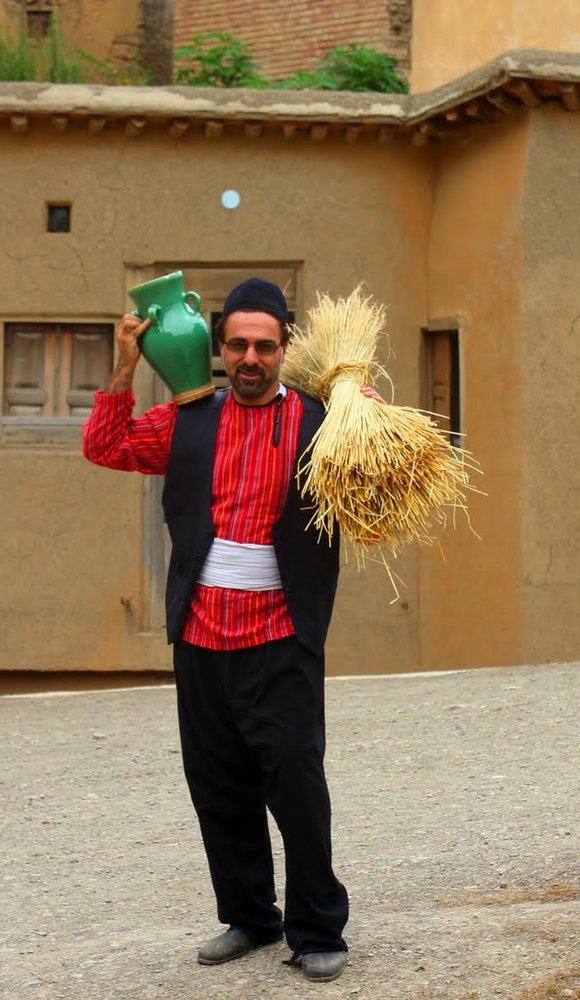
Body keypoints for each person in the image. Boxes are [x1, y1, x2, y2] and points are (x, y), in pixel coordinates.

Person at [83, 277, 375, 983]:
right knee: (217, 785)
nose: (251, 357)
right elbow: (106, 445)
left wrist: (367, 413)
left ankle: (315, 929)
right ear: (217, 349)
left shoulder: (320, 420)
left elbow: (380, 473)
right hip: (202, 636)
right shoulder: (188, 419)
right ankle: (249, 917)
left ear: (284, 349)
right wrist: (125, 363)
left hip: (280, 637)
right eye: (238, 344)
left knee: (296, 782)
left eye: (265, 345)